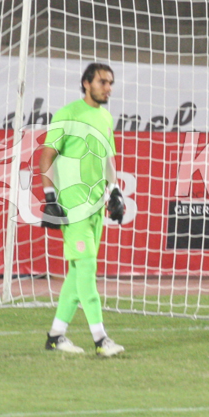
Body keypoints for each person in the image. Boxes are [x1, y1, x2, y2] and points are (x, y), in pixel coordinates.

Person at [39, 62, 126, 357]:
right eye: (102, 82)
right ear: (86, 83)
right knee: (88, 272)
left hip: (96, 207)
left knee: (77, 274)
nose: (108, 88)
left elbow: (108, 159)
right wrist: (50, 197)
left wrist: (115, 191)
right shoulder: (68, 114)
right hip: (72, 206)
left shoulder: (105, 117)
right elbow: (47, 155)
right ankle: (101, 340)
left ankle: (55, 336)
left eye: (110, 83)